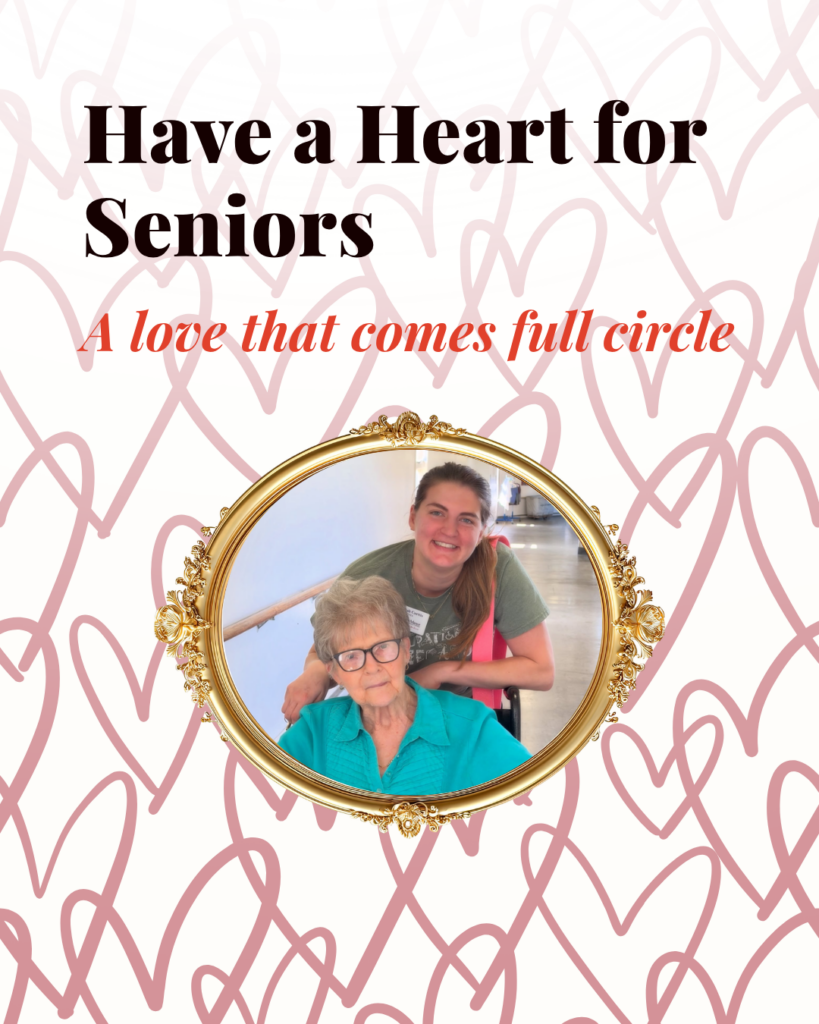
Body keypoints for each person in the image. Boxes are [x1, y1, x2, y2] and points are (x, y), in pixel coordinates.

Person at [281, 460, 554, 724]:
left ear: (482, 530)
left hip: (458, 716)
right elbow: (323, 654)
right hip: (379, 714)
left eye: (467, 520)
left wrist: (441, 671)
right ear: (413, 517)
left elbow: (541, 671)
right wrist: (315, 673)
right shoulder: (366, 577)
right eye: (437, 512)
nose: (450, 530)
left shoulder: (497, 567)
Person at [277, 576, 531, 794]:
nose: (372, 667)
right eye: (351, 656)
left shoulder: (472, 727)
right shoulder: (312, 732)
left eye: (383, 647)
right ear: (335, 672)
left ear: (406, 650)